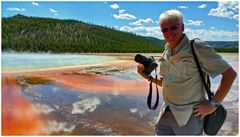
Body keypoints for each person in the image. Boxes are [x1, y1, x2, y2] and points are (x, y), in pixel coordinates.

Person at [137, 9, 237, 135]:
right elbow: (167, 82)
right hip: (166, 112)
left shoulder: (197, 47)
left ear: (182, 27)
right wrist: (148, 77)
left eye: (173, 27)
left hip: (189, 117)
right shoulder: (166, 51)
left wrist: (212, 105)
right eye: (164, 30)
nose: (169, 33)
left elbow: (230, 74)